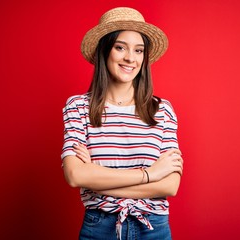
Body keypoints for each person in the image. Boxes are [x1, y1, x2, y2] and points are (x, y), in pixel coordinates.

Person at [61, 7, 183, 240]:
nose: (130, 58)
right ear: (105, 51)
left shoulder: (162, 110)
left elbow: (170, 185)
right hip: (99, 227)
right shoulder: (77, 107)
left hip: (153, 229)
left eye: (139, 50)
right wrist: (151, 174)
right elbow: (75, 176)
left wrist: (96, 181)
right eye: (120, 47)